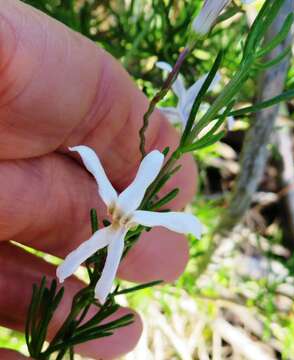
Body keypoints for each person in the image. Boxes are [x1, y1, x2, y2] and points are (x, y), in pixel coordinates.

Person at [0, 1, 197, 359]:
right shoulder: (117, 211)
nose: (118, 219)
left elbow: (109, 175)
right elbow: (98, 168)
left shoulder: (121, 221)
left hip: (124, 221)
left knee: (98, 267)